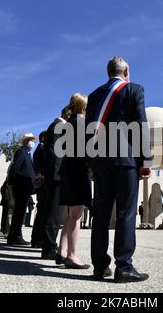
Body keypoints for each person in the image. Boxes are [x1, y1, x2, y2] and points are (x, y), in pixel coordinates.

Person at [86, 56, 151, 283]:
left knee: (101, 214)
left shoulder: (94, 96)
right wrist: (145, 161)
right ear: (125, 71)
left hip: (101, 162)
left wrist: (91, 164)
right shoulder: (134, 90)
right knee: (126, 212)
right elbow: (141, 125)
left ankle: (99, 266)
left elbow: (87, 132)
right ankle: (124, 266)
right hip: (126, 161)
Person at [57, 93, 92, 269]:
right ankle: (71, 256)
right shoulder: (82, 123)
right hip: (78, 172)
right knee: (77, 215)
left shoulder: (69, 124)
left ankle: (62, 251)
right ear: (84, 108)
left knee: (71, 215)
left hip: (68, 170)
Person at [41, 107, 71, 259]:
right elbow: (55, 152)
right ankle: (49, 248)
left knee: (54, 212)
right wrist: (59, 173)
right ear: (68, 113)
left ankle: (49, 245)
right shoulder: (59, 125)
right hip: (57, 176)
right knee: (54, 213)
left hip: (55, 174)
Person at [7, 133, 37, 246]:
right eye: (31, 140)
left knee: (20, 213)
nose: (33, 142)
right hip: (21, 186)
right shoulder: (21, 152)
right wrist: (12, 183)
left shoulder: (28, 154)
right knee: (19, 213)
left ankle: (14, 236)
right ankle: (15, 237)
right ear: (26, 141)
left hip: (26, 187)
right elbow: (15, 168)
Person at [31, 131, 47, 248]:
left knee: (42, 211)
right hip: (43, 184)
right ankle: (38, 239)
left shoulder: (39, 149)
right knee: (42, 212)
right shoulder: (42, 149)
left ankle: (37, 238)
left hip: (41, 184)